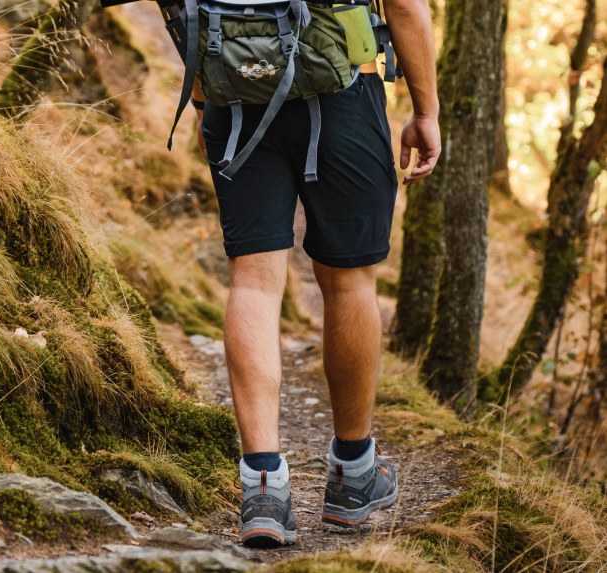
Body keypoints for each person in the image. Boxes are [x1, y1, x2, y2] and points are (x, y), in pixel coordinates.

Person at [189, 0, 441, 549]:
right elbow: (404, 5)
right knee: (350, 280)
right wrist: (427, 111)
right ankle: (354, 474)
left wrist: (205, 91)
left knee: (253, 280)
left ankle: (263, 488)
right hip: (342, 88)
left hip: (234, 92)